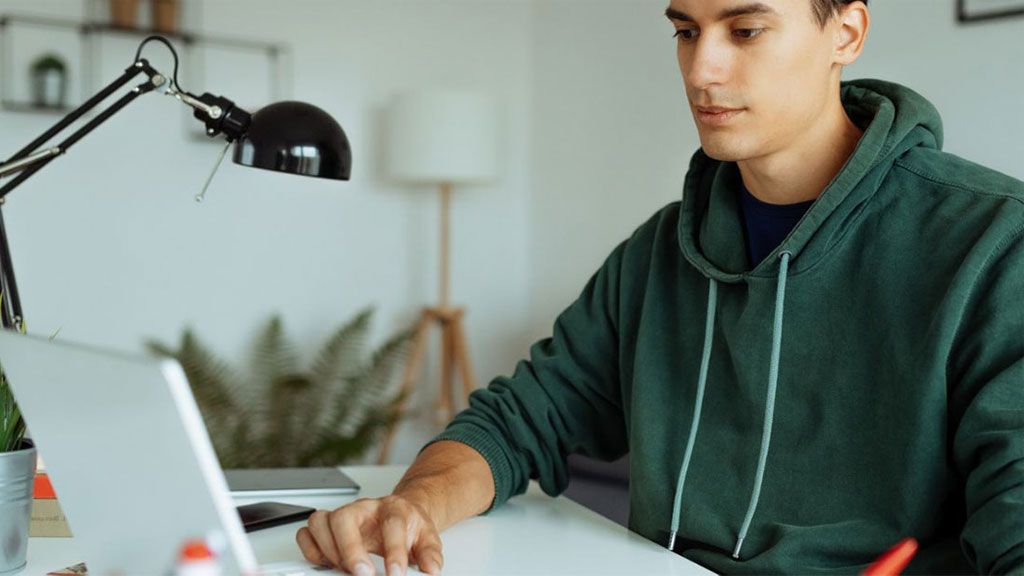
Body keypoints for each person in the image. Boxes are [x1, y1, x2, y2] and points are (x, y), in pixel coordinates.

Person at [296, 1, 1024, 574]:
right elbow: (515, 422)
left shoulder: (992, 245)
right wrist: (412, 506)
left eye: (744, 30)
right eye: (684, 30)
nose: (701, 70)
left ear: (847, 32)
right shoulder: (658, 253)